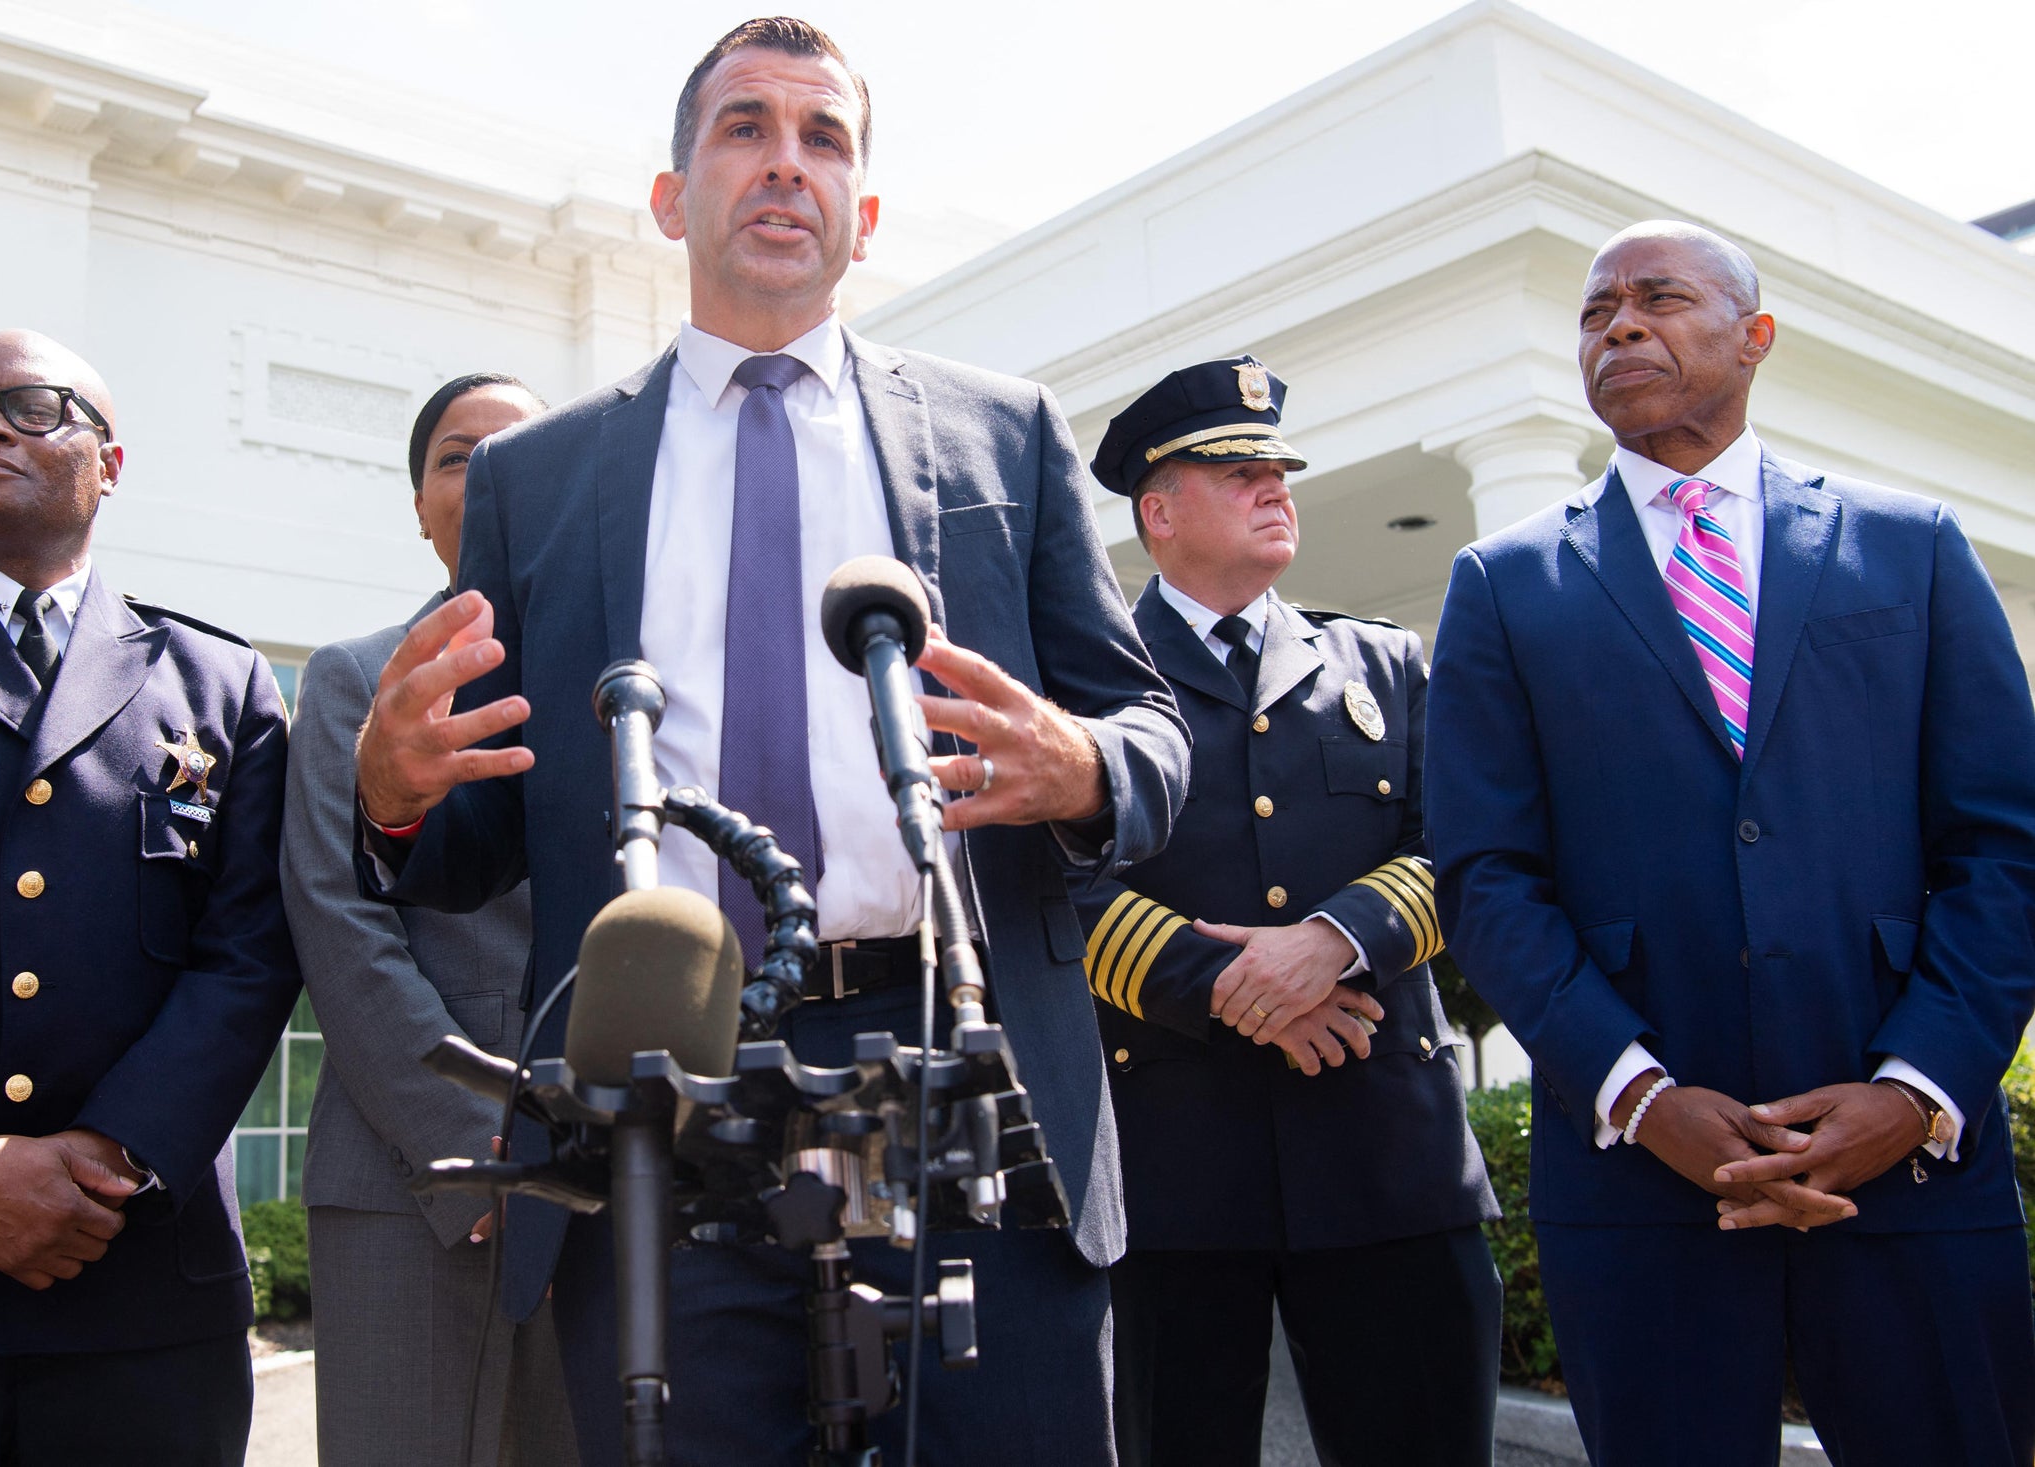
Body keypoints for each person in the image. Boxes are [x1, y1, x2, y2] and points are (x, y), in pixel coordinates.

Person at [350, 18, 1189, 1466]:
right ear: (673, 195)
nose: (785, 164)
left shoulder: (1005, 436)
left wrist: (1086, 764)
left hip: (959, 1072)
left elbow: (1154, 736)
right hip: (664, 1082)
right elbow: (479, 834)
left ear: (864, 215)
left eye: (825, 137)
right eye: (745, 128)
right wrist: (396, 797)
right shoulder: (541, 480)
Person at [1426, 221, 2035, 1466]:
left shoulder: (1909, 548)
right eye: (1595, 313)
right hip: (1642, 1188)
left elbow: (2002, 846)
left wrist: (1912, 1093)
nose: (1619, 328)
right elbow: (1487, 875)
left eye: (1658, 300)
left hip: (1907, 1172)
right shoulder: (1505, 582)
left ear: (1754, 337)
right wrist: (1641, 1098)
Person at [0, 330, 301, 1465]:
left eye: (34, 406)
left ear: (112, 463)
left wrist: (110, 1154)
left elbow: (251, 949)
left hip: (139, 1293)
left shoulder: (218, 683)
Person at [1075, 357, 1500, 1467]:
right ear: (1156, 512)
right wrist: (1222, 984)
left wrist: (1332, 941)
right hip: (1174, 1168)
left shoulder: (1384, 661)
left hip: (1385, 1157)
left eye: (1281, 470)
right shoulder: (1085, 685)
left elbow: (1459, 844)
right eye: (1238, 470)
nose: (1276, 488)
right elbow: (1047, 880)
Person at [282, 372, 575, 1466]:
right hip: (416, 1179)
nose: (491, 472)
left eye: (521, 451)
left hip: (610, 1173)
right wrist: (474, 1137)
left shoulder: (632, 682)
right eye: (458, 455)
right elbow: (337, 916)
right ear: (417, 503)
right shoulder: (354, 680)